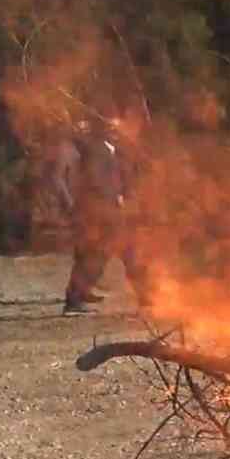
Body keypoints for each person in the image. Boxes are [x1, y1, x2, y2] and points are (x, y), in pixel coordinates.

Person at [60, 118, 144, 315]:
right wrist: (113, 199)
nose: (116, 131)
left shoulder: (112, 150)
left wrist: (122, 195)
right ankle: (74, 301)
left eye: (117, 128)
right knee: (95, 255)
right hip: (100, 212)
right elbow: (96, 181)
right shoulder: (97, 151)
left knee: (128, 251)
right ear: (104, 131)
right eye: (111, 128)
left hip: (110, 210)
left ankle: (147, 296)